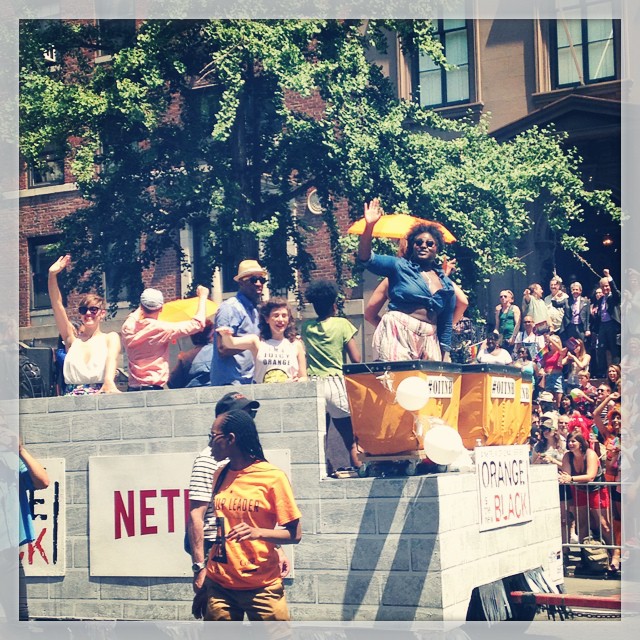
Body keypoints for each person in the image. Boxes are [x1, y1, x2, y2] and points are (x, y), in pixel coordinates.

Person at [202, 410, 302, 621]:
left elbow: (295, 534)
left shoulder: (272, 477)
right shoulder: (219, 474)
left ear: (231, 439)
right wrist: (204, 575)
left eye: (213, 437)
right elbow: (220, 525)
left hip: (262, 585)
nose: (209, 444)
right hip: (220, 585)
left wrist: (257, 533)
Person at [188, 392, 289, 593]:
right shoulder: (208, 460)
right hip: (217, 551)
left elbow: (253, 515)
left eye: (250, 413)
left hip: (250, 551)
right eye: (242, 413)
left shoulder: (251, 459)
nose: (248, 419)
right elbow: (196, 516)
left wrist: (278, 549)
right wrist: (199, 567)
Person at [357, 198, 458, 361]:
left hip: (429, 337)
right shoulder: (399, 266)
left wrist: (444, 356)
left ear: (437, 248)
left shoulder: (446, 284)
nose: (424, 245)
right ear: (412, 246)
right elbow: (366, 258)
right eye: (419, 242)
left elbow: (446, 324)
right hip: (398, 332)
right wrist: (369, 227)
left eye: (429, 243)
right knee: (398, 384)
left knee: (426, 385)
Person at [301, 280, 362, 472]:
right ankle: (361, 473)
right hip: (336, 384)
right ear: (334, 304)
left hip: (313, 384)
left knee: (320, 438)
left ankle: (323, 475)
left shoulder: (307, 327)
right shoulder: (342, 324)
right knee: (351, 441)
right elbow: (356, 359)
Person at [48, 255, 120, 395]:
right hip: (71, 398)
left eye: (93, 309)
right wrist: (52, 275)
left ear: (102, 313)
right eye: (83, 310)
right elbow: (57, 305)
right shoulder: (72, 340)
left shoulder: (110, 338)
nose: (88, 313)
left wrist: (109, 381)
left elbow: (112, 358)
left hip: (101, 393)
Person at [121, 286, 210, 391]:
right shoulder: (162, 328)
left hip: (132, 388)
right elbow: (198, 324)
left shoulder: (128, 327)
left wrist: (142, 306)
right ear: (161, 308)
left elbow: (133, 316)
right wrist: (203, 297)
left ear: (141, 306)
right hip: (153, 389)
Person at [217, 298, 307, 384]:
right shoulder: (257, 342)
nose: (280, 320)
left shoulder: (296, 345)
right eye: (276, 315)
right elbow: (230, 343)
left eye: (284, 316)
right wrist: (225, 335)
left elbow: (303, 377)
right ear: (267, 319)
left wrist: (297, 381)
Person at [210, 260, 266, 386]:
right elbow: (222, 348)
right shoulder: (229, 308)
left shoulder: (257, 310)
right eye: (253, 280)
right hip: (230, 383)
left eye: (262, 280)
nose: (258, 284)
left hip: (250, 382)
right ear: (241, 282)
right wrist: (251, 344)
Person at [559, 433, 612, 551]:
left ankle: (614, 554)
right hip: (579, 490)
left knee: (603, 524)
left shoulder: (590, 454)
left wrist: (571, 479)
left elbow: (590, 476)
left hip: (596, 489)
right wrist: (566, 478)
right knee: (582, 524)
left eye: (574, 441)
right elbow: (566, 474)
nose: (570, 444)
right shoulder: (568, 456)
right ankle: (584, 555)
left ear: (581, 442)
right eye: (569, 441)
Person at [19, 441, 50, 620]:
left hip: (7, 555)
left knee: (19, 614)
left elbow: (43, 481)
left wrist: (21, 450)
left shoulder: (10, 460)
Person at [593, 403, 622, 572]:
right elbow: (596, 415)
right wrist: (609, 398)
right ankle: (616, 554)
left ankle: (619, 555)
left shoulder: (632, 437)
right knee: (616, 520)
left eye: (619, 417)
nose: (617, 421)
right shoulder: (609, 436)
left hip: (628, 483)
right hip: (612, 482)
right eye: (614, 418)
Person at [168, 322, 214, 389]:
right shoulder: (220, 352)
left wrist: (181, 359)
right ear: (211, 335)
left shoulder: (186, 357)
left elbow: (173, 383)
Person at [594, 268, 621, 366]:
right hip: (603, 325)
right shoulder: (601, 299)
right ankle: (604, 371)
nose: (605, 288)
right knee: (601, 348)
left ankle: (616, 370)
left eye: (607, 286)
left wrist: (609, 276)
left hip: (612, 325)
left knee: (614, 348)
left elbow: (615, 291)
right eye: (603, 287)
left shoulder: (614, 296)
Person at [539, 334, 567, 408]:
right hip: (548, 377)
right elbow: (538, 358)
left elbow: (561, 350)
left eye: (552, 342)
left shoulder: (560, 353)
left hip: (557, 377)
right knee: (548, 399)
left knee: (558, 400)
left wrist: (550, 338)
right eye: (550, 342)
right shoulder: (546, 353)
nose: (551, 344)